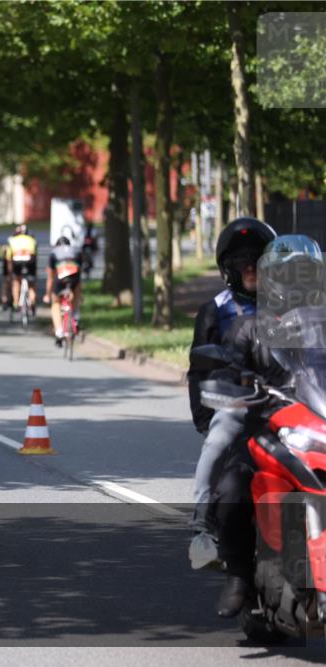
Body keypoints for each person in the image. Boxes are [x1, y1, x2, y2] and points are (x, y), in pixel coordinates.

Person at [185, 217, 277, 617]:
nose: (250, 266)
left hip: (293, 406)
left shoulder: (294, 305)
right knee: (223, 436)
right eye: (241, 260)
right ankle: (202, 526)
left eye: (256, 258)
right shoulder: (217, 310)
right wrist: (206, 415)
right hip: (238, 406)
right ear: (227, 268)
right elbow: (198, 371)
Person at [42, 235, 81, 345]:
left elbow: (50, 278)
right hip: (74, 278)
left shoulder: (54, 253)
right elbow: (79, 274)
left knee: (56, 303)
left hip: (60, 279)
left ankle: (59, 331)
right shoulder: (76, 252)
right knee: (76, 294)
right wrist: (80, 294)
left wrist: (48, 294)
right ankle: (76, 316)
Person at [6, 224, 38, 315]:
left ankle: (16, 302)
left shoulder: (13, 240)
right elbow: (35, 256)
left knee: (16, 282)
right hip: (29, 262)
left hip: (17, 262)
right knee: (31, 284)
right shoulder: (32, 240)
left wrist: (10, 271)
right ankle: (32, 302)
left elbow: (9, 258)